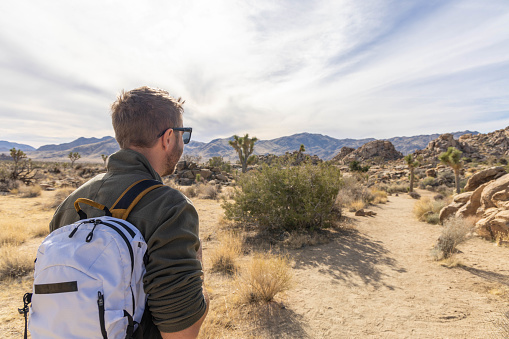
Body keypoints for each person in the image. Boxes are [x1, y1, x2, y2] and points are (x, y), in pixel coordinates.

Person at [49, 86, 209, 338]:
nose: (182, 143)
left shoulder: (69, 204)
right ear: (168, 138)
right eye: (182, 135)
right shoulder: (170, 208)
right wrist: (199, 273)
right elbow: (181, 333)